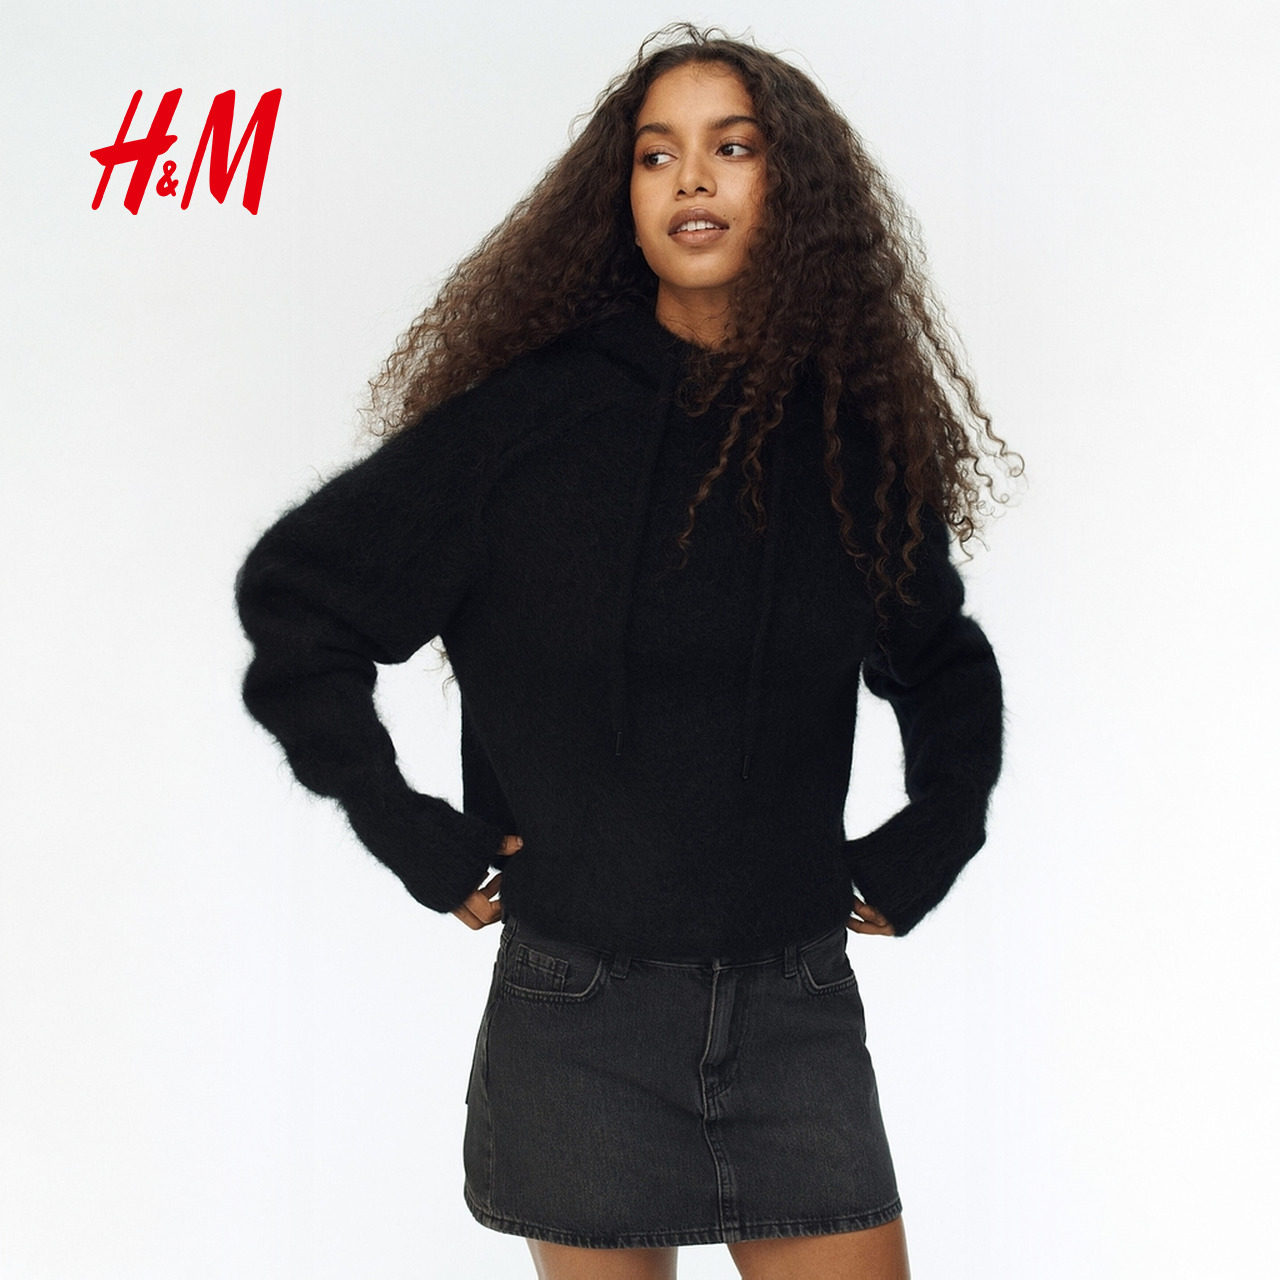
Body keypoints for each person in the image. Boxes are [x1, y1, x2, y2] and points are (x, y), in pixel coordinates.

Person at [235, 23, 1015, 1280]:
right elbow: (299, 601)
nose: (689, 177)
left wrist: (938, 827)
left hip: (794, 1003)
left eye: (731, 147)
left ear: (794, 189)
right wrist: (403, 824)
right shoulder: (525, 426)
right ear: (623, 195)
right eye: (656, 154)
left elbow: (939, 658)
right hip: (579, 1009)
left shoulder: (844, 443)